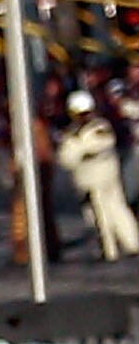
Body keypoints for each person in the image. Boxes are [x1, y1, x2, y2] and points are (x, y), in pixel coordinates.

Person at [68, 92, 139, 264]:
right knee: (101, 215)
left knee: (112, 211)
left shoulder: (98, 127)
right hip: (90, 180)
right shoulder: (75, 132)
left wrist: (80, 148)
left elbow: (97, 145)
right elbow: (66, 157)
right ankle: (115, 247)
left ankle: (121, 247)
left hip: (103, 177)